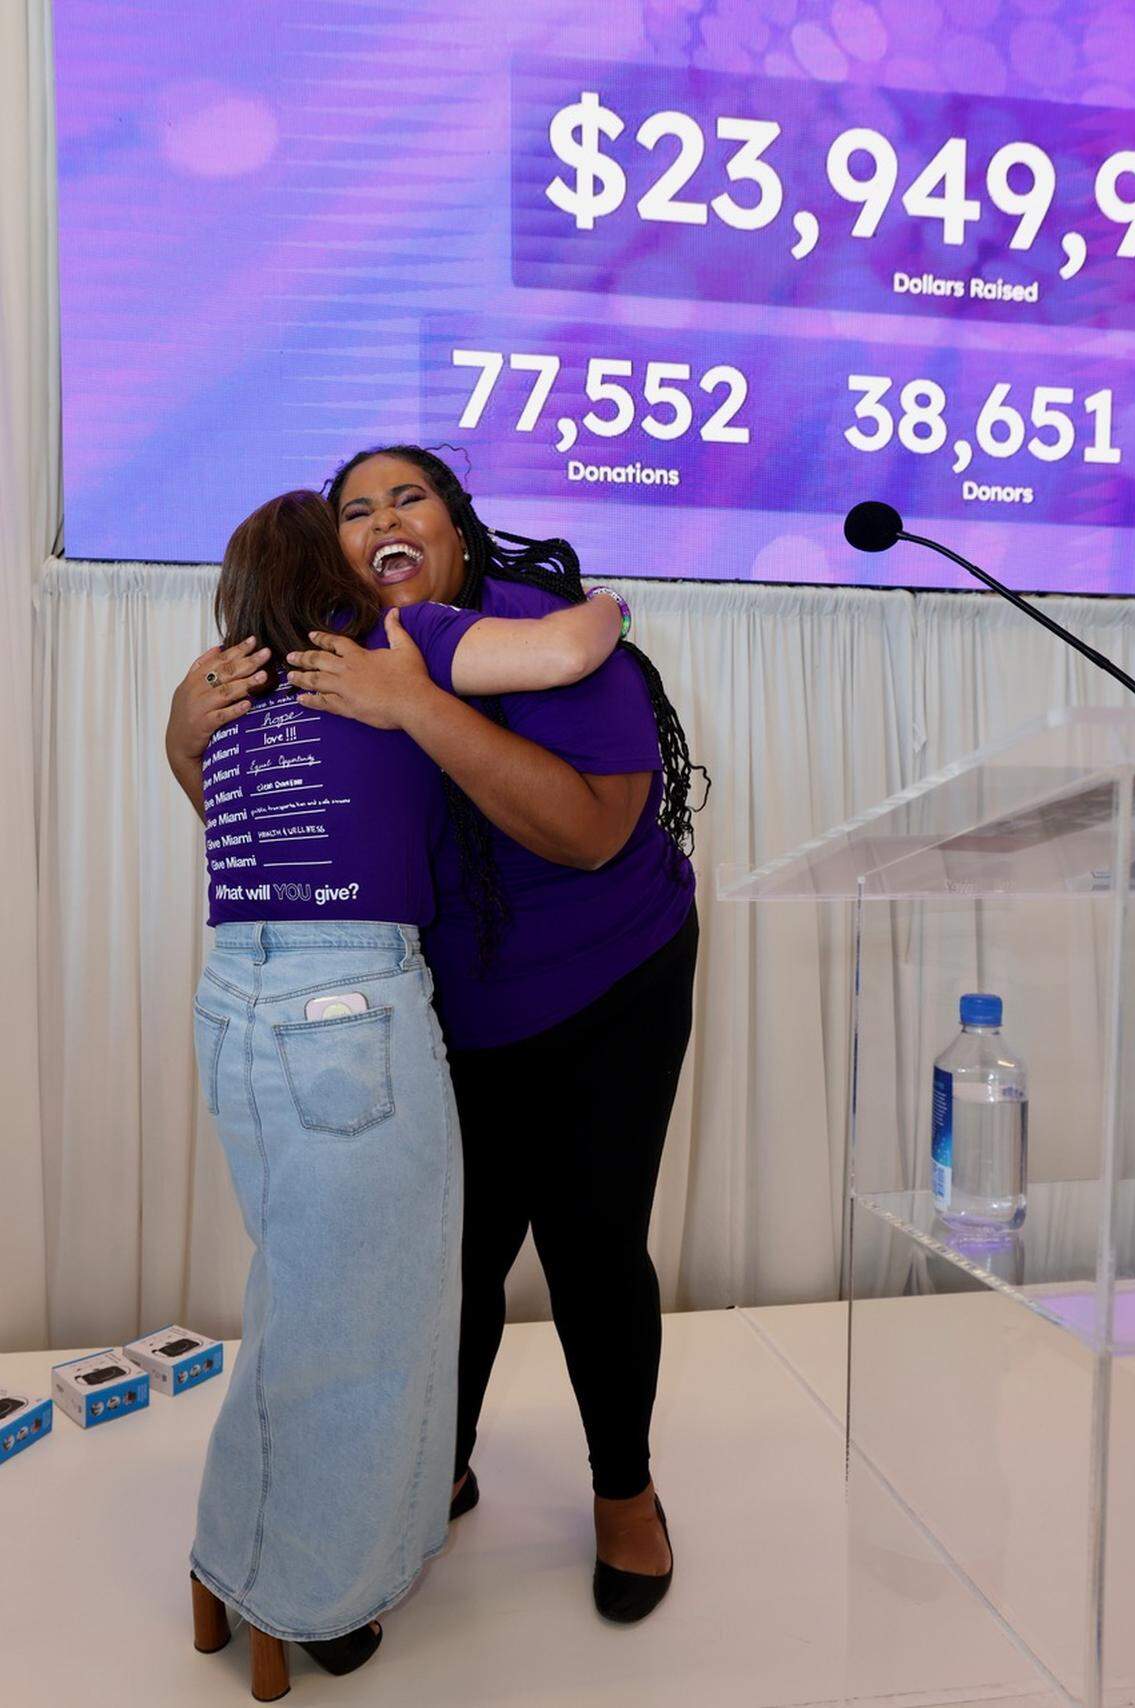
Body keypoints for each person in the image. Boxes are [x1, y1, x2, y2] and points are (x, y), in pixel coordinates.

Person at [177, 489, 627, 1697]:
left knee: (295, 1299)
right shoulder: (395, 640)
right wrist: (612, 596)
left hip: (233, 1002)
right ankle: (292, 1588)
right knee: (363, 1326)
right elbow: (574, 643)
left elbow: (215, 812)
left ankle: (228, 1565)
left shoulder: (224, 686)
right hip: (350, 1014)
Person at [285, 447, 706, 1624]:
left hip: (613, 982)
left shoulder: (538, 633)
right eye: (356, 512)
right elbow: (268, 816)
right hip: (456, 1008)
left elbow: (584, 834)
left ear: (458, 529)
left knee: (590, 1244)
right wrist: (182, 727)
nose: (382, 522)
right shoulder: (332, 661)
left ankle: (626, 1490)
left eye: (406, 497)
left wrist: (417, 704)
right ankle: (441, 1463)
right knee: (453, 1259)